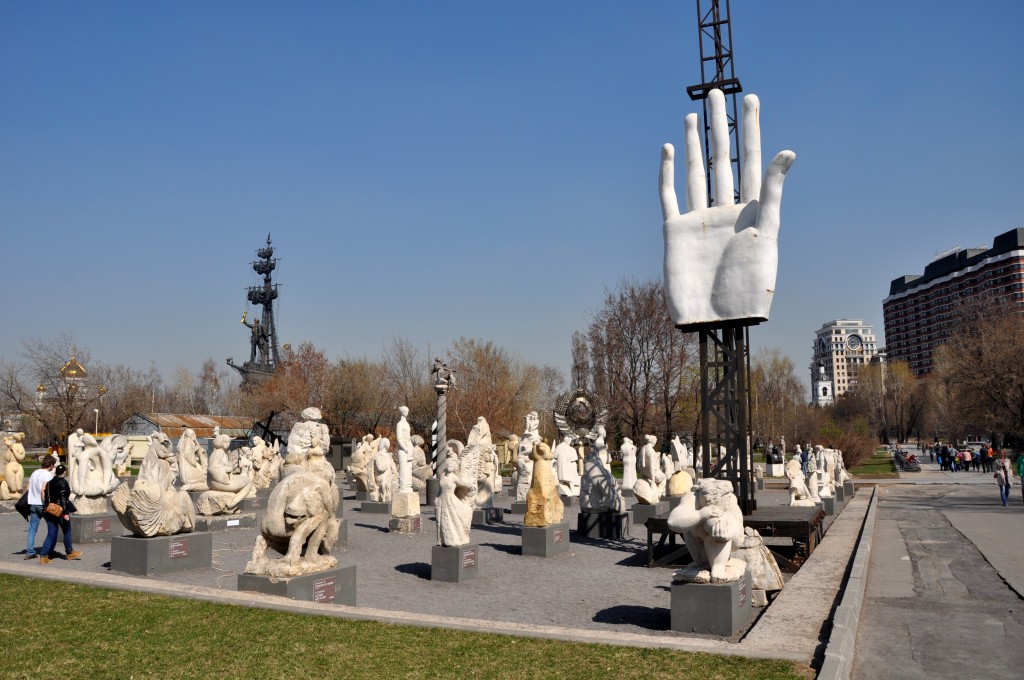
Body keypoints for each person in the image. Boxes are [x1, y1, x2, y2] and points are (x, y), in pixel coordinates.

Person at [39, 465, 81, 563]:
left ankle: (43, 555)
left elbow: (46, 496)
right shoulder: (63, 482)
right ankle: (69, 552)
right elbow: (63, 499)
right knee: (67, 531)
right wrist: (65, 513)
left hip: (50, 510)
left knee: (51, 533)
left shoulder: (49, 483)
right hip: (60, 511)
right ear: (64, 472)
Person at [24, 457, 55, 559]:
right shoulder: (48, 475)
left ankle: (30, 551)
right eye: (53, 464)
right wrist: (46, 503)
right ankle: (50, 550)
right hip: (42, 504)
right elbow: (43, 490)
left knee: (32, 529)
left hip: (33, 503)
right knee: (52, 527)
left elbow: (27, 488)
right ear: (50, 465)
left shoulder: (34, 472)